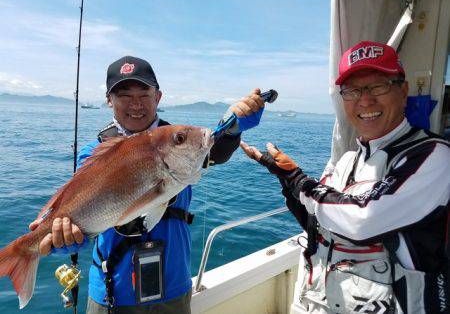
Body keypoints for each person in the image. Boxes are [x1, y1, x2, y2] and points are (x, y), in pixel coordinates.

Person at [30, 55, 266, 313]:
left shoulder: (176, 140)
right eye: (124, 95)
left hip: (173, 286)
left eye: (144, 93)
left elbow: (215, 152)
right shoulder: (94, 153)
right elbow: (85, 210)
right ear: (109, 101)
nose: (135, 104)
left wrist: (232, 129)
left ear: (158, 97)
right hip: (112, 293)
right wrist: (68, 239)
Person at [241, 41, 450, 313]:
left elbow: (363, 220)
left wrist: (299, 181)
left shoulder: (433, 156)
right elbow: (318, 223)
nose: (364, 100)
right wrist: (285, 178)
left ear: (404, 90)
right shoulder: (347, 160)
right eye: (352, 90)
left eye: (378, 86)